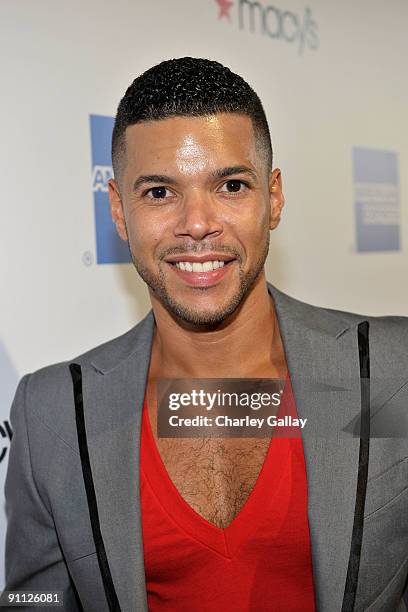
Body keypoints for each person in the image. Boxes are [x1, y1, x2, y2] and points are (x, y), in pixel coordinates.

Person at [4, 57, 408, 612]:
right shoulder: (50, 412)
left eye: (231, 185)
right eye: (159, 193)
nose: (197, 223)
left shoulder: (389, 372)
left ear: (274, 198)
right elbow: (36, 598)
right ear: (119, 212)